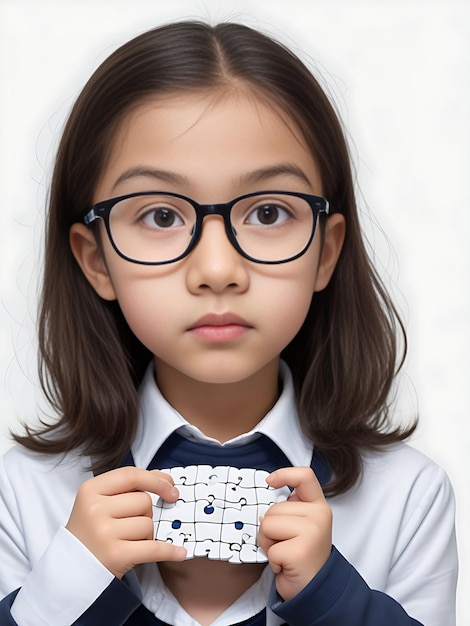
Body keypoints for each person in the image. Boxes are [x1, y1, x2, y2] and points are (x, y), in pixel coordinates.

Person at [0, 21, 457, 626]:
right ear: (95, 260)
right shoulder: (21, 492)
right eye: (160, 215)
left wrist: (335, 601)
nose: (218, 270)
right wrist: (63, 591)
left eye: (269, 212)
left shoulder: (408, 497)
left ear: (325, 250)